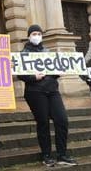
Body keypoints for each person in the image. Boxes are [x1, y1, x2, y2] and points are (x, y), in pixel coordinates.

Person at [17, 24, 77, 167]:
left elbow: (53, 72)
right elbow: (21, 74)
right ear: (29, 36)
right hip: (35, 92)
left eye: (39, 33)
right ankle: (47, 155)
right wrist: (33, 77)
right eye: (34, 34)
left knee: (62, 120)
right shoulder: (23, 54)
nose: (36, 36)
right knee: (43, 122)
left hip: (52, 90)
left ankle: (62, 154)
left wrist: (58, 71)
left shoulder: (47, 51)